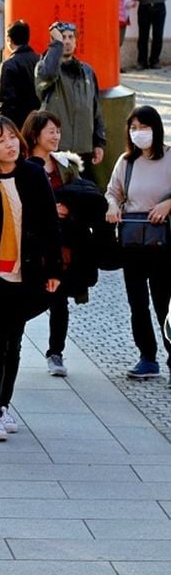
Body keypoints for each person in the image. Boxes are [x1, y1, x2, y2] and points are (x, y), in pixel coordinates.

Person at [0, 117, 62, 442]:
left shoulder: (33, 174)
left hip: (26, 272)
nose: (10, 144)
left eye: (13, 138)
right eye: (1, 140)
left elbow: (49, 225)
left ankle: (4, 404)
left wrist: (54, 271)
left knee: (14, 344)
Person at [23, 110, 107, 379]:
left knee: (59, 298)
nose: (56, 136)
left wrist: (69, 209)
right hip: (32, 245)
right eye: (51, 131)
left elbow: (84, 197)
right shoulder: (24, 165)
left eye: (58, 131)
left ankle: (55, 351)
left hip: (63, 244)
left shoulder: (66, 166)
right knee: (29, 298)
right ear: (36, 134)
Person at [105, 105, 171, 381]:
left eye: (144, 127)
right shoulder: (126, 161)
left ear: (156, 128)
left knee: (164, 302)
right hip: (133, 239)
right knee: (137, 302)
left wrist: (168, 204)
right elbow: (112, 192)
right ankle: (147, 356)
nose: (139, 133)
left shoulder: (169, 156)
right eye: (133, 128)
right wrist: (111, 207)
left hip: (163, 241)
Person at [36, 22, 106, 170]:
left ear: (75, 41)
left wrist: (99, 143)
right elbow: (48, 74)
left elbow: (96, 110)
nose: (67, 41)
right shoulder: (45, 68)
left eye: (70, 37)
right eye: (62, 38)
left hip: (84, 149)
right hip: (58, 149)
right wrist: (57, 46)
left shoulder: (87, 71)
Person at [0, 20, 39, 127]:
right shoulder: (39, 60)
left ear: (9, 39)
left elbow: (6, 101)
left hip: (16, 123)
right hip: (37, 122)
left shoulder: (9, 65)